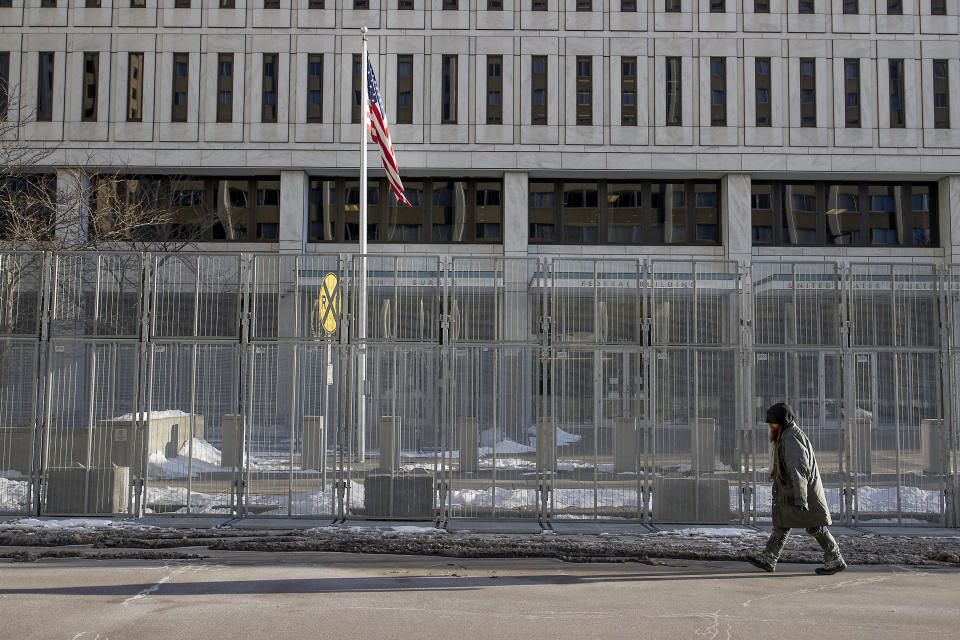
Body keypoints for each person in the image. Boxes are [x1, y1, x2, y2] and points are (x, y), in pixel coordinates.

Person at [746, 402, 846, 575]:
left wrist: (801, 499)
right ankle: (769, 558)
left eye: (773, 422)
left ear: (783, 421)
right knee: (783, 525)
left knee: (814, 526)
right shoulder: (786, 434)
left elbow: (799, 470)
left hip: (801, 493)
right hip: (794, 492)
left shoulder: (791, 437)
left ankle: (835, 559)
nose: (771, 426)